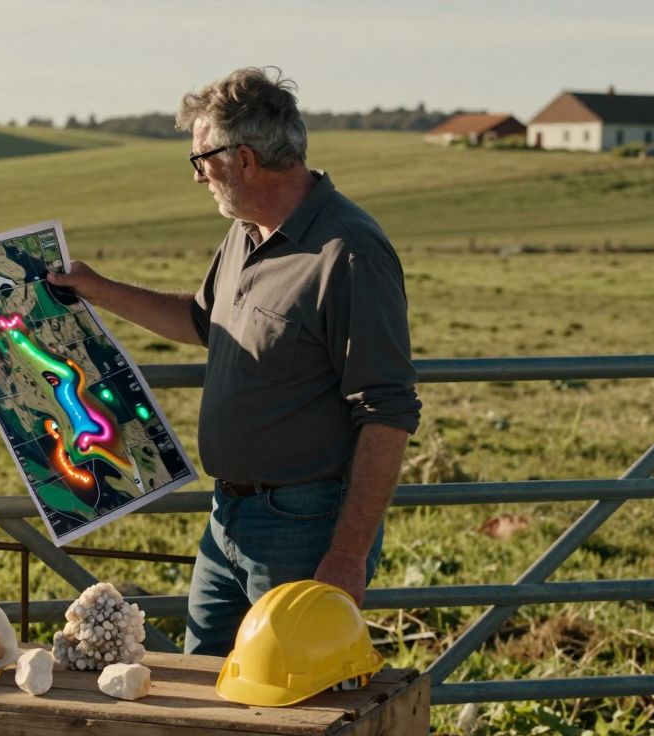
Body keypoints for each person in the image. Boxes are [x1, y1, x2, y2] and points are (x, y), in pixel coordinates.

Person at [47, 67, 421, 656]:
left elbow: (389, 410)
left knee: (290, 700)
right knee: (208, 691)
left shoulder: (348, 252)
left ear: (243, 159)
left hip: (305, 526)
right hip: (228, 519)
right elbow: (203, 320)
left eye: (202, 160)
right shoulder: (246, 234)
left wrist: (346, 555)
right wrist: (100, 289)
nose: (199, 177)